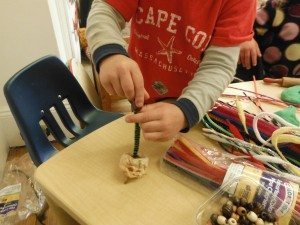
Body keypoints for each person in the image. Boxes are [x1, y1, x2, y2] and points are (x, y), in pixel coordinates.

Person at [86, 0, 256, 141]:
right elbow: (105, 10)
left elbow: (219, 65)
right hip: (144, 93)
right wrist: (109, 52)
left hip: (193, 102)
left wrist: (185, 110)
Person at [237, 0, 300, 81]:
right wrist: (246, 38)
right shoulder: (277, 7)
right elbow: (246, 29)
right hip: (263, 77)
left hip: (295, 83)